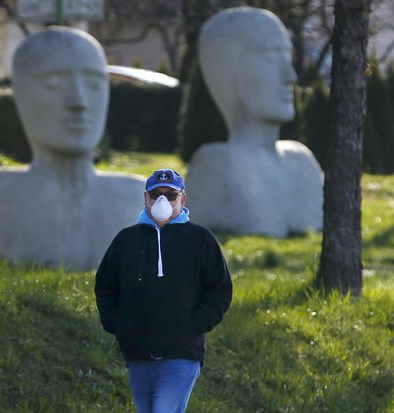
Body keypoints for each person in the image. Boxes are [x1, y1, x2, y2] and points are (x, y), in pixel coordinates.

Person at [0, 26, 144, 270]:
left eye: (94, 85)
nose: (79, 102)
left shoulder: (136, 198)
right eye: (54, 84)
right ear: (21, 94)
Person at [95, 168, 232, 413]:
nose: (162, 200)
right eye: (155, 194)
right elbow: (105, 286)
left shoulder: (201, 239)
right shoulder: (126, 240)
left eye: (170, 194)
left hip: (181, 354)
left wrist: (196, 323)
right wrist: (117, 323)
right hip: (138, 353)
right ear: (145, 198)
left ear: (183, 199)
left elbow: (219, 289)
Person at [185, 7, 323, 237]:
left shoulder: (302, 162)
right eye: (270, 58)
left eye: (287, 58)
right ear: (229, 72)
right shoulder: (217, 165)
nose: (291, 76)